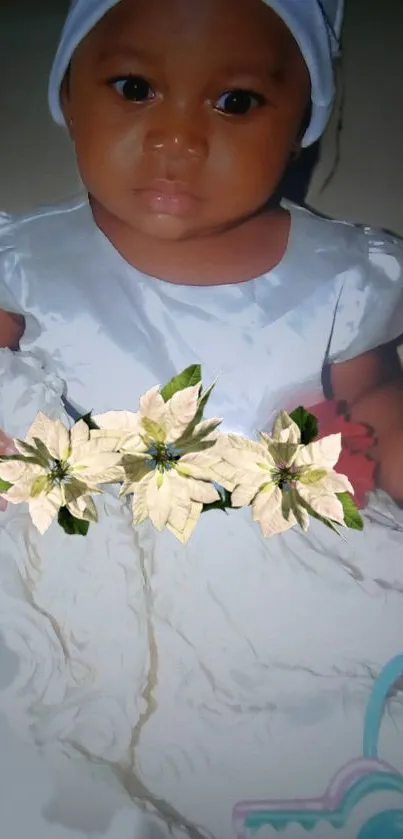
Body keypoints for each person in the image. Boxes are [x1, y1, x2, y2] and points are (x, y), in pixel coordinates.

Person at [0, 0, 403, 836]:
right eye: (135, 86)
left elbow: (371, 398)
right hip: (74, 556)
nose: (176, 137)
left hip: (282, 558)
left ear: (300, 126)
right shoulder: (26, 260)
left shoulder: (339, 272)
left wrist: (384, 436)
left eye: (235, 102)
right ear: (70, 97)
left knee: (310, 715)